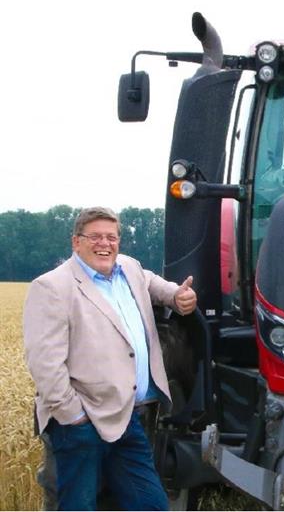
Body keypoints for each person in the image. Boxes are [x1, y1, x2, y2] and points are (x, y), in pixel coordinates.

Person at [23, 207, 197, 510]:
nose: (105, 243)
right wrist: (74, 416)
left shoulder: (128, 268)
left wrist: (176, 296)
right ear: (76, 242)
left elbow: (154, 283)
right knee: (79, 505)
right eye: (95, 237)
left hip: (129, 416)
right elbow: (44, 362)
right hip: (81, 421)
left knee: (151, 504)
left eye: (111, 237)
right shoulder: (52, 286)